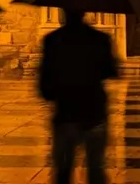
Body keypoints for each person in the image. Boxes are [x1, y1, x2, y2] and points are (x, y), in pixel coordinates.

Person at [39, 10, 119, 184]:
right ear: (84, 13)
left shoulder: (53, 40)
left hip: (66, 112)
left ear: (63, 13)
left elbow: (44, 86)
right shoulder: (100, 39)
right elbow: (111, 71)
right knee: (96, 169)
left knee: (63, 171)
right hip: (94, 111)